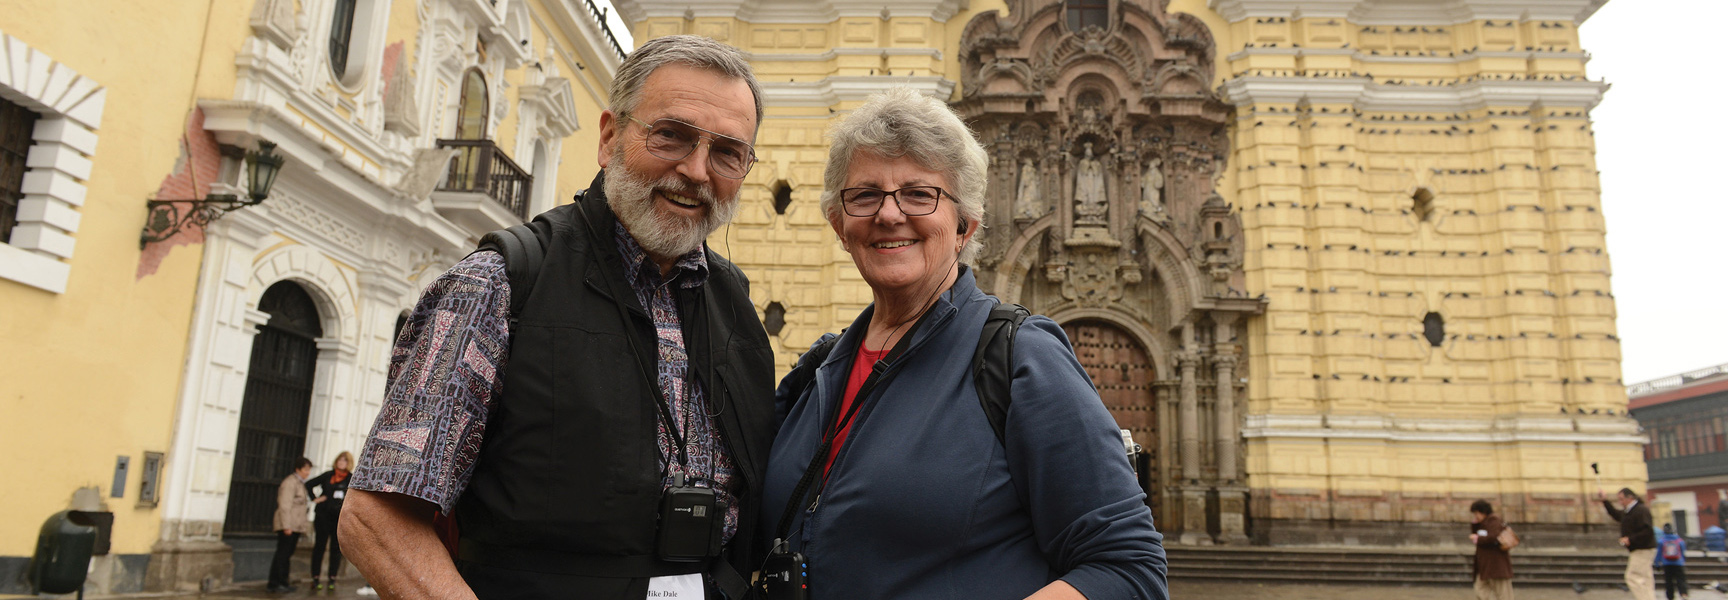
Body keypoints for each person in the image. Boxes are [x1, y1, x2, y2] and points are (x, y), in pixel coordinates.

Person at [340, 35, 774, 599]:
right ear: (610, 135)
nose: (696, 170)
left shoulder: (736, 303)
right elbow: (376, 520)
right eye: (671, 135)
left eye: (726, 152)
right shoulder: (498, 283)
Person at [759, 88, 1167, 600]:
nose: (889, 214)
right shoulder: (817, 371)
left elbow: (1128, 569)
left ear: (963, 225)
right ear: (840, 225)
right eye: (865, 195)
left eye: (918, 193)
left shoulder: (1020, 358)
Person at [304, 451, 353, 592]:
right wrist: (315, 498)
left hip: (338, 518)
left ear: (348, 463)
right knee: (319, 547)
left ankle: (332, 578)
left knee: (335, 549)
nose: (341, 463)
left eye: (344, 461)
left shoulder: (350, 478)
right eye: (339, 460)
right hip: (323, 516)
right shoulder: (328, 475)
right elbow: (309, 484)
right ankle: (315, 577)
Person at [1601, 487, 1658, 600]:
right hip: (1640, 549)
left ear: (1630, 498)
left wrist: (1630, 539)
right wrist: (1605, 500)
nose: (1620, 502)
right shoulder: (1630, 511)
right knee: (1646, 580)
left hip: (1642, 549)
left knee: (1633, 577)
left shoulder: (1641, 510)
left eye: (1621, 499)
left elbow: (1647, 531)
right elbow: (1616, 515)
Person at [269, 457, 314, 593]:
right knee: (282, 554)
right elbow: (285, 505)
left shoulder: (300, 483)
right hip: (288, 525)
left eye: (309, 470)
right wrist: (286, 525)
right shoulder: (290, 483)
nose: (308, 472)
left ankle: (282, 581)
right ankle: (275, 583)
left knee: (286, 554)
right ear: (298, 469)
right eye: (305, 469)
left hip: (295, 525)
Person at [1469, 499, 1513, 600]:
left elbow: (1493, 537)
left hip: (1496, 566)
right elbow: (1480, 532)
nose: (1476, 516)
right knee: (1480, 590)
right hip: (1485, 566)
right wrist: (1475, 524)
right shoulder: (1485, 522)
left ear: (1483, 511)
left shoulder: (1494, 520)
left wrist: (1477, 539)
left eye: (1476, 513)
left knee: (1503, 594)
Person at [1657, 523, 1689, 600]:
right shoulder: (1679, 540)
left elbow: (1659, 553)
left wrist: (1657, 563)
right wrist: (1682, 560)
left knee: (1668, 581)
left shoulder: (1662, 541)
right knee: (1681, 579)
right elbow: (1683, 551)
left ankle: (1670, 596)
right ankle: (1683, 594)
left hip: (1667, 564)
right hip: (1678, 563)